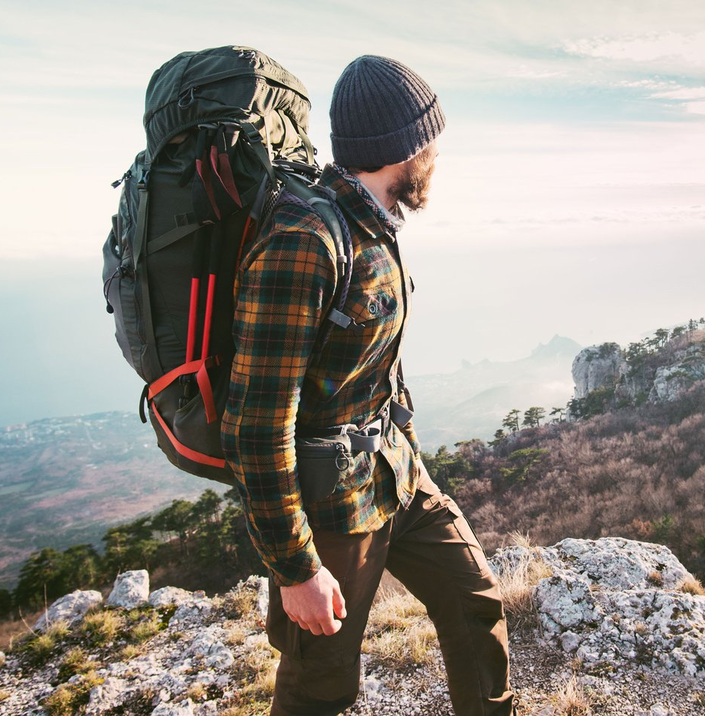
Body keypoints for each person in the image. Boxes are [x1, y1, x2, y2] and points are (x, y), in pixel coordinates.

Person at [221, 55, 515, 716]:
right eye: (429, 138)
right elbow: (255, 426)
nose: (436, 152)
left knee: (474, 602)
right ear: (402, 149)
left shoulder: (373, 225)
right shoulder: (306, 241)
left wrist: (403, 442)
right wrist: (296, 571)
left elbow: (375, 364)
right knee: (320, 683)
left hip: (393, 475)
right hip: (332, 511)